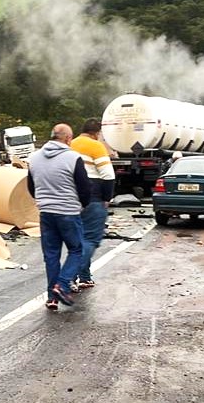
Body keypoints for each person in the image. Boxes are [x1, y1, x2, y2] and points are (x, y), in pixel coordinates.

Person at [27, 123, 91, 310]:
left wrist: (44, 201)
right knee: (77, 250)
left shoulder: (34, 158)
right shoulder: (73, 158)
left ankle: (51, 298)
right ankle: (62, 286)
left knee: (51, 255)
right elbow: (84, 187)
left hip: (46, 213)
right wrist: (83, 205)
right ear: (68, 139)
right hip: (69, 212)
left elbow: (31, 187)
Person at [69, 118, 115, 290]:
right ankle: (69, 277)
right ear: (97, 133)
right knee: (90, 239)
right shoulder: (95, 146)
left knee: (78, 240)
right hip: (93, 197)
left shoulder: (71, 145)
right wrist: (107, 198)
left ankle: (85, 277)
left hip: (72, 199)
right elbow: (108, 175)